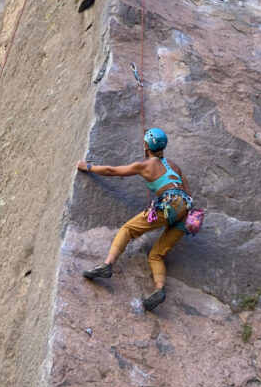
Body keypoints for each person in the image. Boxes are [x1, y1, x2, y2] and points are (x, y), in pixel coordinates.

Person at [77, 128, 192, 311]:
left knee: (127, 230)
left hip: (169, 205)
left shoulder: (145, 166)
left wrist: (88, 167)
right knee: (156, 254)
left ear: (146, 145)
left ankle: (107, 265)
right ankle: (159, 289)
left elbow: (112, 171)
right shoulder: (175, 166)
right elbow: (188, 192)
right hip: (185, 211)